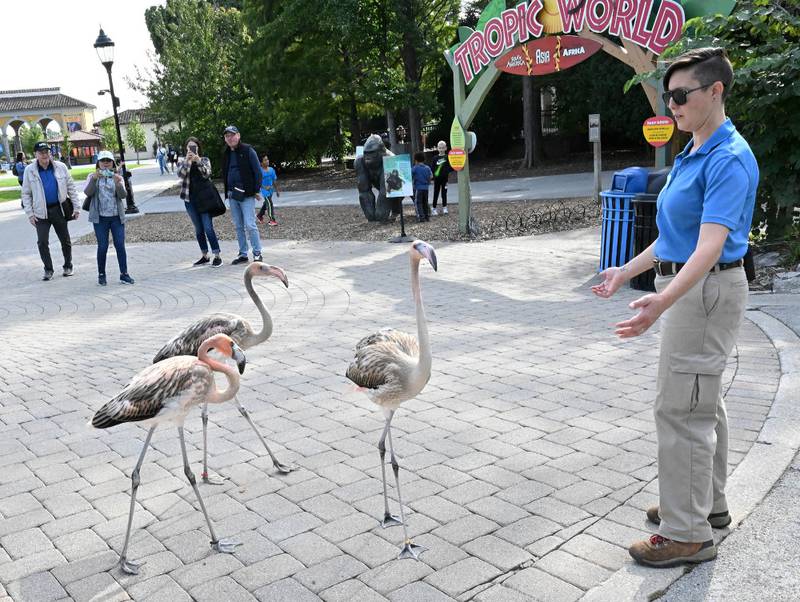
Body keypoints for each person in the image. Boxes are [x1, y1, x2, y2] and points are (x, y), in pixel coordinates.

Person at [591, 48, 758, 568]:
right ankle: (704, 507)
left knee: (680, 407)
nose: (672, 105)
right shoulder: (694, 151)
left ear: (715, 92)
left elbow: (708, 246)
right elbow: (673, 236)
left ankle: (686, 533)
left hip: (703, 292)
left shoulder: (728, 157)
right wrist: (626, 269)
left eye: (681, 96)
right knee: (700, 399)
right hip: (695, 289)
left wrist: (662, 300)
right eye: (669, 96)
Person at [21, 142, 80, 281]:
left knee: (65, 240)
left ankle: (68, 266)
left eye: (46, 152)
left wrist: (76, 207)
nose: (44, 155)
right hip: (41, 213)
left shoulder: (61, 167)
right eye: (41, 152)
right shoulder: (30, 170)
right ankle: (48, 269)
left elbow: (71, 187)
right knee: (42, 242)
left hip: (58, 210)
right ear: (35, 154)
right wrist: (30, 214)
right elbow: (25, 194)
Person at [84, 150, 134, 286]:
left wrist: (118, 184)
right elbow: (88, 192)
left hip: (116, 217)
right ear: (98, 163)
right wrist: (94, 179)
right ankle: (101, 274)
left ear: (112, 163)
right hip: (100, 218)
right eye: (103, 161)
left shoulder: (117, 177)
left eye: (108, 161)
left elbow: (123, 196)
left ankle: (124, 274)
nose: (105, 163)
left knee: (120, 245)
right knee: (103, 246)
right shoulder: (92, 176)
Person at [221, 125, 263, 264]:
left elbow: (257, 172)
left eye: (232, 135)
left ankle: (257, 253)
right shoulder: (226, 153)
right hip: (233, 195)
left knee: (250, 224)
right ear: (225, 139)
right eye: (227, 136)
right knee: (238, 225)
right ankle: (243, 254)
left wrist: (256, 190)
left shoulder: (248, 150)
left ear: (238, 135)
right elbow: (226, 172)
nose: (230, 138)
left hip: (247, 195)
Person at [178, 137, 222, 267]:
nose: (191, 149)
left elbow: (207, 174)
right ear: (186, 149)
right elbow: (180, 175)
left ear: (198, 147)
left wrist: (197, 161)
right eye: (189, 147)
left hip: (204, 200)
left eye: (194, 146)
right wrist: (188, 161)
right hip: (190, 200)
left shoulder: (204, 160)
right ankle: (204, 255)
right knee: (198, 229)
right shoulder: (183, 161)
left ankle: (217, 255)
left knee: (208, 228)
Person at [256, 154, 280, 226]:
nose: (267, 161)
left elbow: (274, 181)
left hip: (271, 190)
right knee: (270, 203)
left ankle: (260, 215)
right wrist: (264, 187)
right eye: (265, 160)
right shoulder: (259, 171)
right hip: (264, 191)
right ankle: (272, 220)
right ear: (261, 163)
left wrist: (277, 191)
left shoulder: (271, 170)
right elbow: (257, 181)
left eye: (267, 159)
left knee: (266, 203)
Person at [430, 141, 452, 215]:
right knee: (436, 193)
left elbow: (451, 167)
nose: (441, 149)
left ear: (445, 148)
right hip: (437, 179)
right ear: (437, 148)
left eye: (443, 148)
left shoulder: (448, 157)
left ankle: (445, 207)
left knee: (444, 193)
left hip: (445, 179)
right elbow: (432, 169)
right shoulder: (435, 158)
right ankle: (433, 208)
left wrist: (447, 171)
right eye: (440, 148)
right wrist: (432, 178)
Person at [411, 152, 432, 222]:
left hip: (418, 188)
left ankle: (421, 217)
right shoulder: (427, 168)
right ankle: (427, 216)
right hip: (426, 188)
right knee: (425, 202)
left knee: (418, 202)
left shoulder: (415, 168)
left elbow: (410, 175)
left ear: (416, 160)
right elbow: (431, 176)